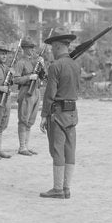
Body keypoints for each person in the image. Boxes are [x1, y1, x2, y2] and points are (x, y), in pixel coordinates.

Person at [39, 29, 81, 199]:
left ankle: (57, 189)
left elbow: (50, 94)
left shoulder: (55, 66)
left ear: (57, 46)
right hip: (72, 112)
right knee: (70, 150)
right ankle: (66, 188)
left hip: (57, 113)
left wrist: (43, 115)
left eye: (52, 48)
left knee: (57, 150)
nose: (51, 51)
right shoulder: (76, 65)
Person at [11, 37, 44, 156]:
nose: (32, 50)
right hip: (26, 92)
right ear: (24, 48)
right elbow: (15, 79)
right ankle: (22, 147)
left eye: (33, 47)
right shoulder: (21, 63)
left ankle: (26, 146)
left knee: (30, 120)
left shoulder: (35, 62)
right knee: (23, 120)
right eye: (30, 47)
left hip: (36, 91)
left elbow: (44, 76)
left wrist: (42, 64)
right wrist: (29, 78)